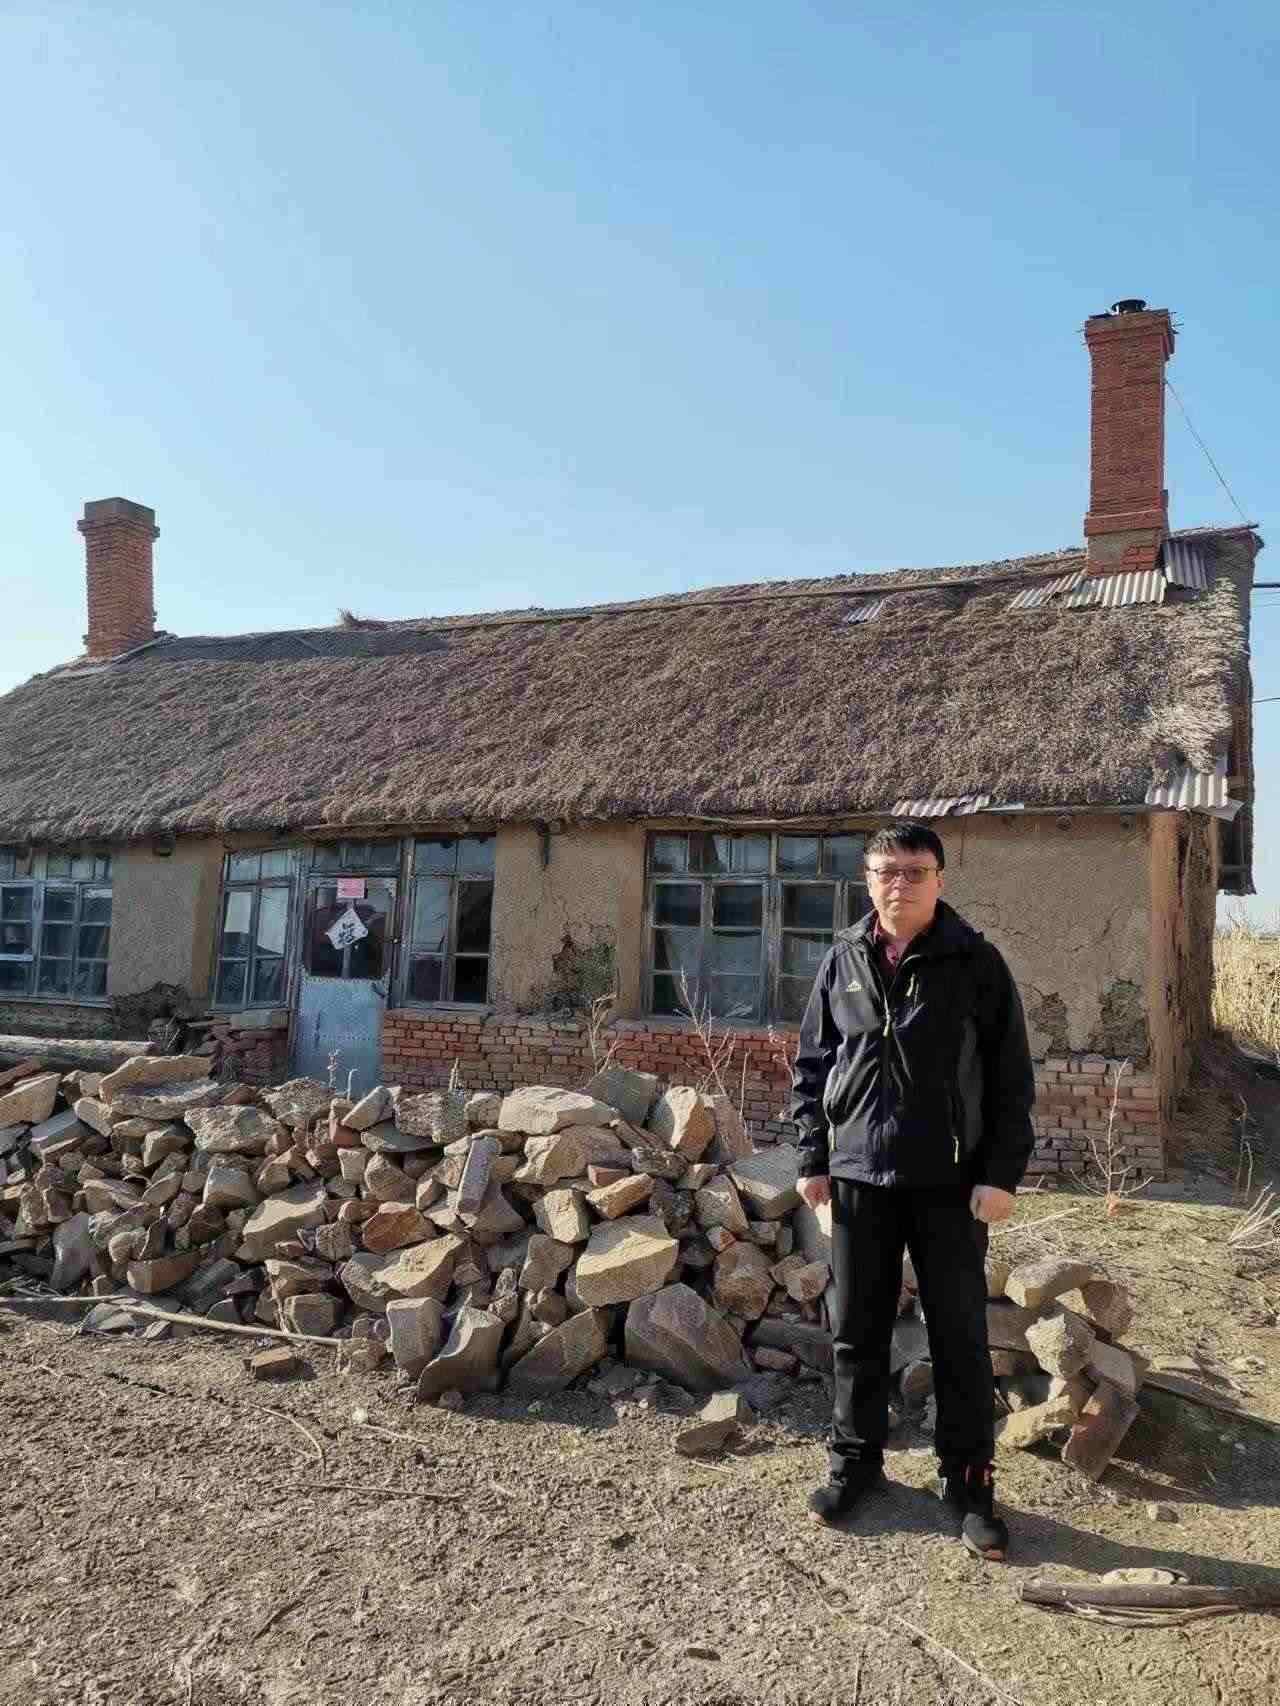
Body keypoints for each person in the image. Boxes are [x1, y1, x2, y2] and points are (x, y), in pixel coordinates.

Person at [791, 821, 1035, 1560]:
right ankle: (855, 1464)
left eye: (915, 870)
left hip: (950, 1182)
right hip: (859, 1175)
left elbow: (1011, 1079)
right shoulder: (842, 959)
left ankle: (969, 1484)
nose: (899, 883)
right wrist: (812, 1157)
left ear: (940, 879)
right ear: (867, 879)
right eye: (885, 870)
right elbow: (813, 1066)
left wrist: (1000, 1174)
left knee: (958, 1335)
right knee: (855, 1330)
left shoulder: (976, 962)